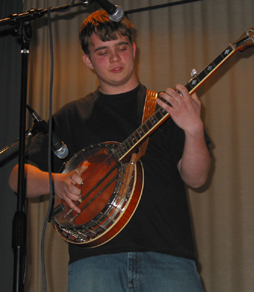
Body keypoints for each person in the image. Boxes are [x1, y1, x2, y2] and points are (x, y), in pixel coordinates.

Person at [9, 10, 211, 292]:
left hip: (169, 258)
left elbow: (197, 178)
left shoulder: (167, 109)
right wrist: (57, 182)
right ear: (88, 61)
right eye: (102, 52)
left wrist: (193, 129)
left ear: (134, 50)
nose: (115, 58)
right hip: (93, 262)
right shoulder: (70, 116)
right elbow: (18, 178)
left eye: (121, 48)